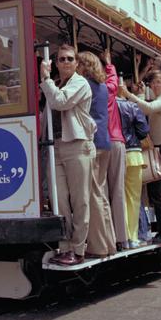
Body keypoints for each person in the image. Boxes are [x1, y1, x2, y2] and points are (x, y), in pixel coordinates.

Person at [39, 44, 96, 267]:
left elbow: (60, 102)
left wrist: (46, 79)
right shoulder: (56, 84)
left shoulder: (79, 83)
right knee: (59, 199)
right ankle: (65, 247)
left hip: (77, 146)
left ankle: (78, 248)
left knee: (79, 200)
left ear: (77, 63)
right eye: (61, 59)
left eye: (69, 59)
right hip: (56, 147)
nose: (65, 62)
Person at [125, 70, 161, 243]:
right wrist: (140, 94)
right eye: (153, 82)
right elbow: (147, 106)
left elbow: (148, 108)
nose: (154, 85)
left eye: (158, 82)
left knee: (159, 193)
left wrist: (128, 94)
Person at [76, 50, 117, 258]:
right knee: (100, 195)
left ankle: (98, 246)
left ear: (84, 66)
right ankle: (109, 243)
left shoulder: (85, 86)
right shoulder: (102, 87)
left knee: (93, 194)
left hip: (92, 142)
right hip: (105, 141)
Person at [116, 84, 151, 248]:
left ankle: (120, 237)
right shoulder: (131, 106)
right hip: (134, 154)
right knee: (133, 198)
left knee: (118, 197)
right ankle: (132, 237)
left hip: (115, 153)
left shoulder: (108, 105)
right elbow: (144, 131)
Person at [102, 52, 129, 248]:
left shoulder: (88, 89)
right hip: (117, 141)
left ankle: (107, 237)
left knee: (102, 192)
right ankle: (123, 238)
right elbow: (113, 80)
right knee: (117, 190)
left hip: (100, 143)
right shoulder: (108, 89)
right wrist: (109, 64)